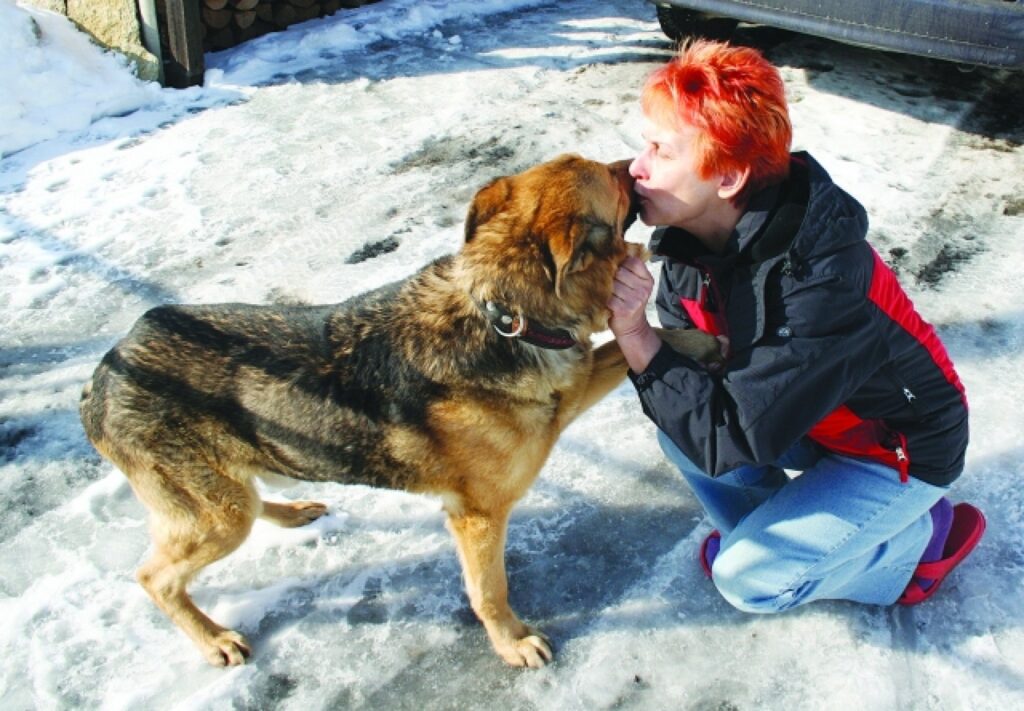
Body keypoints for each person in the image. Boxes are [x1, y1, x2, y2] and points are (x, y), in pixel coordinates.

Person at [608, 39, 985, 612]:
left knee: (751, 582)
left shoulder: (821, 278)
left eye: (660, 150)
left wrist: (635, 335)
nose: (637, 168)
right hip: (812, 421)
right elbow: (701, 399)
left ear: (728, 177)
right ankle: (779, 534)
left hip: (898, 447)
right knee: (679, 432)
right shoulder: (691, 250)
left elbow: (731, 436)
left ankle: (913, 547)